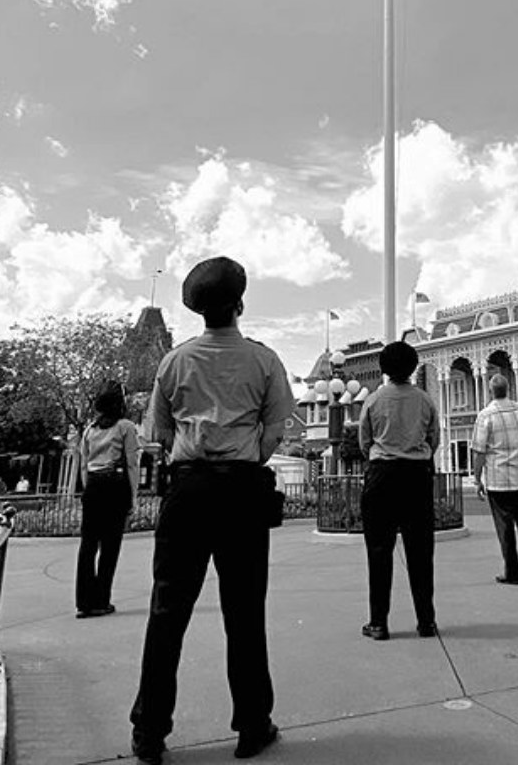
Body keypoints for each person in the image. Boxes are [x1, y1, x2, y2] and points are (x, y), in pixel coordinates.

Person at [129, 257, 296, 764]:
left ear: (199, 310)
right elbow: (274, 428)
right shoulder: (264, 361)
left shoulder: (174, 362)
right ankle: (252, 724)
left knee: (167, 611)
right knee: (244, 612)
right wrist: (246, 456)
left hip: (189, 490)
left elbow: (155, 432)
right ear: (239, 304)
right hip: (242, 491)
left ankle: (150, 732)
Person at [355, 340, 440, 641]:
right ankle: (426, 621)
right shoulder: (425, 400)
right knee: (421, 552)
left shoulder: (373, 400)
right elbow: (434, 439)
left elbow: (365, 442)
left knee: (379, 551)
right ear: (413, 367)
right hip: (416, 476)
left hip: (382, 476)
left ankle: (379, 622)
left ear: (384, 369)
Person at [75, 381, 141, 617]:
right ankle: (101, 599)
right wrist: (132, 496)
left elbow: (83, 465)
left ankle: (84, 601)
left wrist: (88, 489)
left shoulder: (89, 431)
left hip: (93, 485)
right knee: (110, 546)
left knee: (88, 545)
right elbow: (133, 464)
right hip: (115, 484)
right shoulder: (126, 427)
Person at [469, 373, 518, 585]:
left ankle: (512, 572)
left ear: (490, 391)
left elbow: (479, 452)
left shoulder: (486, 415)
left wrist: (476, 478)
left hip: (498, 479)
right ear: (508, 389)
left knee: (505, 526)